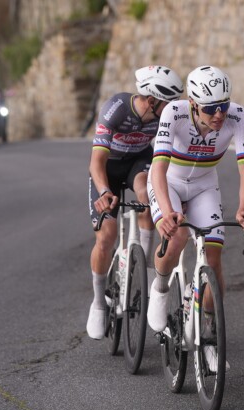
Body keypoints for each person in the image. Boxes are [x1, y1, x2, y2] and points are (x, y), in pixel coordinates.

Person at [146, 65, 244, 370]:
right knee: (178, 236)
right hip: (168, 182)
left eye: (223, 105)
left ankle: (209, 334)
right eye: (211, 108)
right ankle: (159, 288)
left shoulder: (237, 115)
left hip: (204, 185)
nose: (219, 114)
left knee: (213, 256)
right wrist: (167, 212)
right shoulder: (174, 113)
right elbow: (158, 169)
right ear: (193, 104)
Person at [86, 65, 184, 340]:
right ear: (152, 100)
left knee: (146, 195)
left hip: (138, 162)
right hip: (109, 168)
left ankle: (142, 266)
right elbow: (96, 161)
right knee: (106, 236)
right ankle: (98, 302)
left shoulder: (163, 117)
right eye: (169, 102)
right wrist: (104, 191)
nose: (172, 107)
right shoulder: (115, 109)